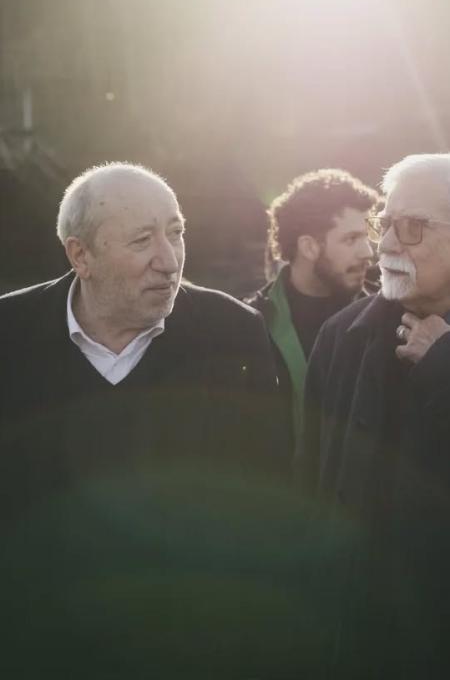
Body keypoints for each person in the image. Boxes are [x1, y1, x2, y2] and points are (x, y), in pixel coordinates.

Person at [0, 161, 293, 677]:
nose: (169, 260)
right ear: (81, 255)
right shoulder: (11, 335)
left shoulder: (235, 333)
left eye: (176, 233)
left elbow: (265, 488)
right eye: (142, 240)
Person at [302, 153, 450, 677]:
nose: (385, 244)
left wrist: (443, 364)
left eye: (412, 228)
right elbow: (312, 484)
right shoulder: (341, 336)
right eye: (382, 224)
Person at [247, 168, 379, 456]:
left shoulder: (389, 322)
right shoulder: (248, 327)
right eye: (351, 239)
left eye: (367, 236)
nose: (368, 252)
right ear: (308, 246)